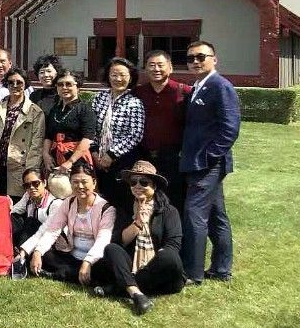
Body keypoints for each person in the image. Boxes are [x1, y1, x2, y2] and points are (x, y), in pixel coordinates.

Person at [180, 40, 240, 285]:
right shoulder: (198, 86)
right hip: (198, 161)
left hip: (206, 164)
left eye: (201, 57)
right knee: (216, 216)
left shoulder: (220, 86)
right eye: (191, 58)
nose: (195, 61)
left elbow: (230, 128)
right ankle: (221, 269)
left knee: (194, 214)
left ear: (214, 59)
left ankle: (192, 273)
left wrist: (210, 156)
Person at [90, 160, 184, 315]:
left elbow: (173, 245)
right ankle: (137, 294)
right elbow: (118, 241)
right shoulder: (125, 208)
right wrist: (138, 223)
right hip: (131, 265)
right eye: (133, 182)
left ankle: (120, 287)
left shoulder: (169, 211)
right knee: (111, 249)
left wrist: (151, 264)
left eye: (144, 182)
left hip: (159, 271)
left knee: (169, 256)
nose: (137, 186)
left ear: (154, 186)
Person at [18, 159, 116, 286]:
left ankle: (65, 274)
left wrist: (88, 262)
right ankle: (69, 274)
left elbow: (102, 241)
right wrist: (37, 252)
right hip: (71, 257)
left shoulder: (106, 209)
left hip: (95, 260)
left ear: (94, 182)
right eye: (75, 182)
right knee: (45, 254)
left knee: (102, 267)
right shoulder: (68, 203)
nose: (80, 186)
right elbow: (51, 230)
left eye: (84, 182)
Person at [134, 50, 192, 213]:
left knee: (175, 199)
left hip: (173, 157)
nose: (156, 69)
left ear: (171, 68)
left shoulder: (184, 92)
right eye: (151, 65)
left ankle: (175, 236)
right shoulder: (138, 93)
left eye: (160, 65)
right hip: (145, 156)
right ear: (145, 69)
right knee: (146, 199)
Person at [91, 57, 145, 212]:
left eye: (123, 75)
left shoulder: (135, 103)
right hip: (98, 160)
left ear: (131, 77)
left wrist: (111, 155)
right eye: (114, 74)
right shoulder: (100, 98)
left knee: (121, 203)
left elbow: (135, 135)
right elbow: (92, 127)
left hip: (122, 161)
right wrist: (95, 153)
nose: (118, 79)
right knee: (100, 202)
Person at [0, 68, 44, 198]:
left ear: (25, 84)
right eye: (11, 82)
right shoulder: (0, 106)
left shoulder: (35, 112)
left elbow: (36, 144)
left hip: (20, 165)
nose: (15, 86)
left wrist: (31, 170)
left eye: (19, 82)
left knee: (16, 205)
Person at [41, 68, 96, 198]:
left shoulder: (85, 110)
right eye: (60, 84)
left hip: (77, 159)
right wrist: (46, 155)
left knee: (77, 194)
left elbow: (87, 139)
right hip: (55, 157)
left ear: (78, 87)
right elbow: (49, 135)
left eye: (69, 84)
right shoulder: (55, 110)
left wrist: (70, 162)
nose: (64, 87)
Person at [10, 167, 66, 253]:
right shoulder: (28, 196)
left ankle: (20, 252)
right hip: (29, 240)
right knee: (12, 218)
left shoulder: (55, 204)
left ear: (44, 183)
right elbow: (14, 210)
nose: (31, 188)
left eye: (35, 183)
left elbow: (47, 232)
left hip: (49, 243)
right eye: (27, 186)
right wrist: (7, 205)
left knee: (31, 222)